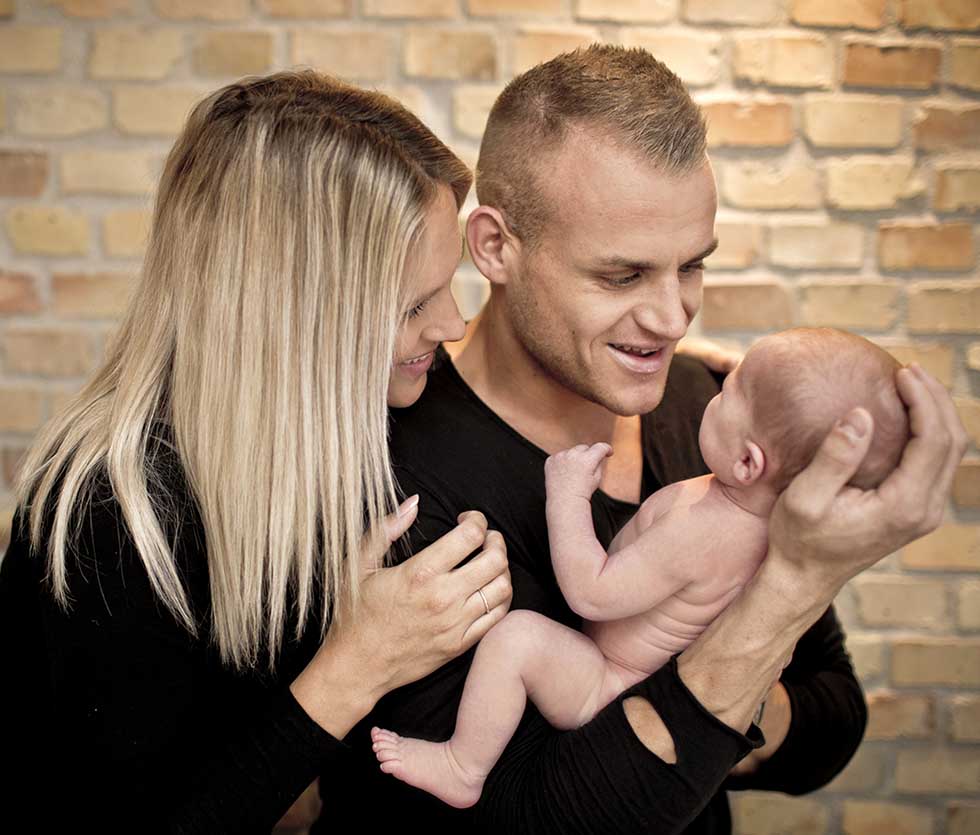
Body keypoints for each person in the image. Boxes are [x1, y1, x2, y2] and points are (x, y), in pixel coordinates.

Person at [317, 46, 967, 833]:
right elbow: (526, 819)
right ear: (493, 247)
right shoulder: (392, 472)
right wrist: (779, 601)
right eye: (623, 276)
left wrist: (690, 705)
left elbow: (833, 719)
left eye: (691, 265)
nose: (671, 317)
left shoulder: (710, 405)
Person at [0, 70, 514, 832]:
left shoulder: (361, 427)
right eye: (412, 304)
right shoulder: (107, 521)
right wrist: (357, 663)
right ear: (299, 314)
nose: (453, 322)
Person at [369, 328, 910, 809]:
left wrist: (566, 495)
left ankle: (464, 765)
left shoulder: (706, 531)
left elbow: (591, 594)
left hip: (615, 688)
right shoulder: (761, 523)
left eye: (728, 396)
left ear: (748, 463)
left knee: (516, 640)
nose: (709, 391)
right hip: (652, 700)